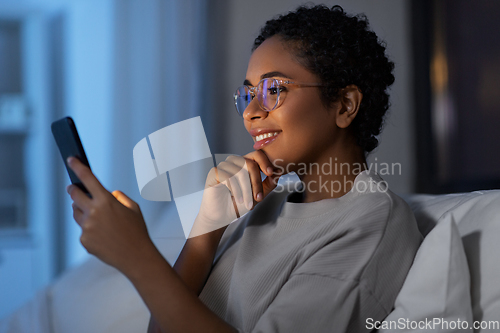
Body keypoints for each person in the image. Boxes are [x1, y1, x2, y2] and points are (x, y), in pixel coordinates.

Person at [66, 4, 422, 333]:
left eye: (274, 89)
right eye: (247, 94)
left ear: (345, 105)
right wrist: (206, 228)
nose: (250, 112)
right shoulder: (261, 204)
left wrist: (137, 257)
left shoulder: (371, 222)